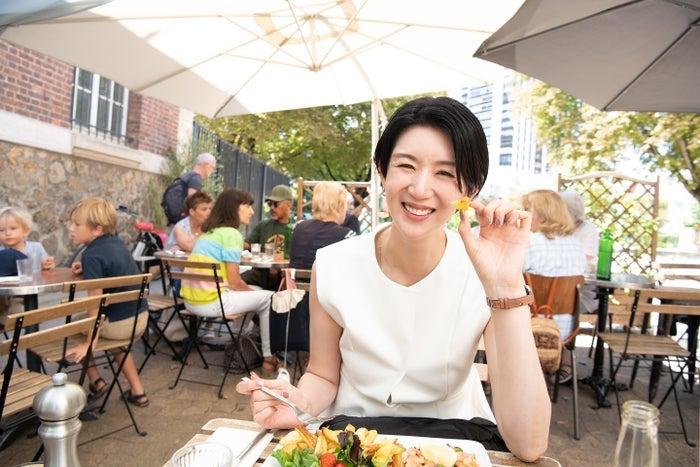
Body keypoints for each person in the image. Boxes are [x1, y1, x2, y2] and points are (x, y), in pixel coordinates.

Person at [238, 97, 550, 462]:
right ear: (383, 172)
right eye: (406, 165)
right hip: (353, 442)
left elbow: (529, 445)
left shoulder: (483, 272)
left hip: (452, 445)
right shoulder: (334, 263)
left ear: (469, 190)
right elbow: (323, 375)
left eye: (445, 173)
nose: (420, 188)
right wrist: (299, 402)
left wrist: (505, 287)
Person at [180, 188, 277, 372]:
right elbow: (234, 282)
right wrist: (253, 294)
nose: (252, 211)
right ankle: (268, 357)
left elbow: (233, 282)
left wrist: (252, 293)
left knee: (257, 291)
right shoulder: (231, 234)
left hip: (191, 302)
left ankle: (237, 342)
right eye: (248, 206)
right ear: (235, 208)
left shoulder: (209, 233)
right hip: (210, 302)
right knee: (269, 298)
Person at [66, 198, 150, 407]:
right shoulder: (116, 243)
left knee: (72, 326)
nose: (71, 229)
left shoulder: (91, 255)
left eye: (77, 224)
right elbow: (113, 267)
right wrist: (87, 269)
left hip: (119, 326)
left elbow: (94, 303)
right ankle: (138, 391)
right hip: (139, 318)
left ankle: (96, 381)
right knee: (115, 341)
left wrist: (90, 342)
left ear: (97, 229)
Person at [522, 189, 586, 384]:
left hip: (529, 325)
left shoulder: (528, 242)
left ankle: (491, 378)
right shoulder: (577, 246)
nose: (522, 214)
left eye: (527, 210)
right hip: (565, 330)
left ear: (541, 216)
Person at [289, 182, 355, 269]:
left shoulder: (299, 228)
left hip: (296, 278)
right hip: (326, 278)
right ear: (339, 205)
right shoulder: (347, 236)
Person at [243, 184, 294, 288]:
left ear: (289, 204)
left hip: (283, 276)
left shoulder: (295, 229)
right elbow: (245, 245)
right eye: (270, 204)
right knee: (231, 282)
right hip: (260, 274)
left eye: (276, 204)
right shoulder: (263, 225)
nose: (272, 207)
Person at [560, 190, 600, 314]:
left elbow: (585, 261)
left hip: (581, 293)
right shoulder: (559, 229)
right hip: (558, 289)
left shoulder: (588, 230)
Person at [162, 152, 217, 226]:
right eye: (213, 168)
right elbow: (193, 202)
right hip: (184, 222)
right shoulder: (196, 179)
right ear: (206, 165)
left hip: (175, 219)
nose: (213, 171)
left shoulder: (186, 176)